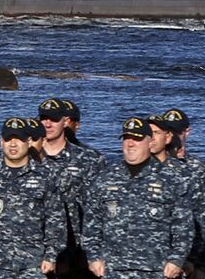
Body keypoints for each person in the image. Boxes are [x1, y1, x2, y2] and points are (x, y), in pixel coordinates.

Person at [81, 118, 192, 279]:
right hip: (113, 269)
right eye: (127, 139)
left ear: (150, 142)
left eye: (137, 139)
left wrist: (176, 260)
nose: (131, 144)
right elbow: (91, 223)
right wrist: (93, 257)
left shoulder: (171, 179)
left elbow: (184, 227)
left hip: (157, 270)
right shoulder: (105, 178)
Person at [0, 119, 61, 279]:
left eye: (18, 139)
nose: (13, 144)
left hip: (34, 263)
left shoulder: (45, 176)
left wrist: (51, 255)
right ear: (1, 142)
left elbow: (55, 220)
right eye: (8, 139)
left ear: (28, 142)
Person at [36, 99, 104, 279]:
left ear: (65, 121)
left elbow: (99, 207)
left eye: (53, 119)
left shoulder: (88, 159)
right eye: (43, 118)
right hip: (35, 247)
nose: (47, 124)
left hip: (76, 249)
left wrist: (93, 251)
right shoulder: (27, 158)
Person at [153, 111, 205, 279]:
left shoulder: (202, 169)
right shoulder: (151, 167)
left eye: (178, 131)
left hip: (193, 257)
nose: (174, 136)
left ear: (186, 132)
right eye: (169, 131)